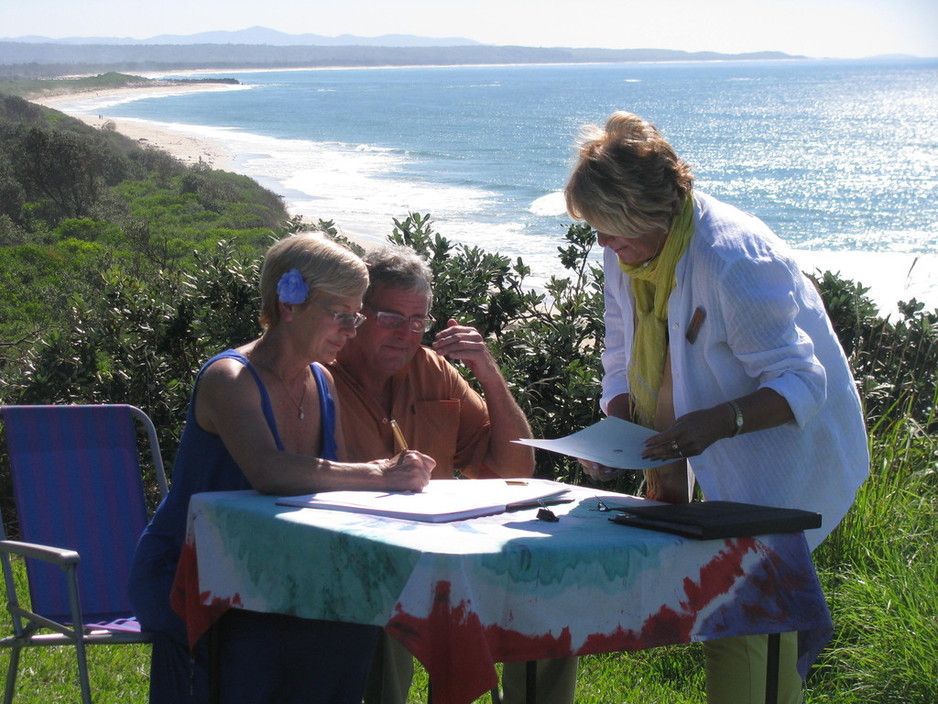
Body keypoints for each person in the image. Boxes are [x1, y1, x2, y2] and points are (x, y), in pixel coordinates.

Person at [563, 111, 869, 704]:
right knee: (733, 611)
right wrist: (619, 419)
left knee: (747, 609)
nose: (600, 242)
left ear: (649, 212)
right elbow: (621, 346)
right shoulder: (630, 248)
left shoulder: (733, 258)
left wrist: (721, 421)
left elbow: (803, 381)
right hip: (701, 450)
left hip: (782, 456)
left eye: (609, 228)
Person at [128, 233, 435, 704]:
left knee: (357, 624)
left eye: (356, 316)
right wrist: (381, 473)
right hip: (195, 570)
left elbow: (323, 487)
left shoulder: (321, 379)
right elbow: (270, 472)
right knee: (279, 637)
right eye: (341, 315)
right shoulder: (229, 379)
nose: (352, 331)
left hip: (274, 563)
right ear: (289, 305)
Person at [330, 244, 578, 704]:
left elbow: (513, 468)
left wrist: (487, 370)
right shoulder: (320, 373)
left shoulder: (434, 371)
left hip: (446, 553)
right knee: (380, 604)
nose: (406, 334)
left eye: (418, 321)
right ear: (356, 314)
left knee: (547, 595)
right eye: (391, 318)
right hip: (358, 555)